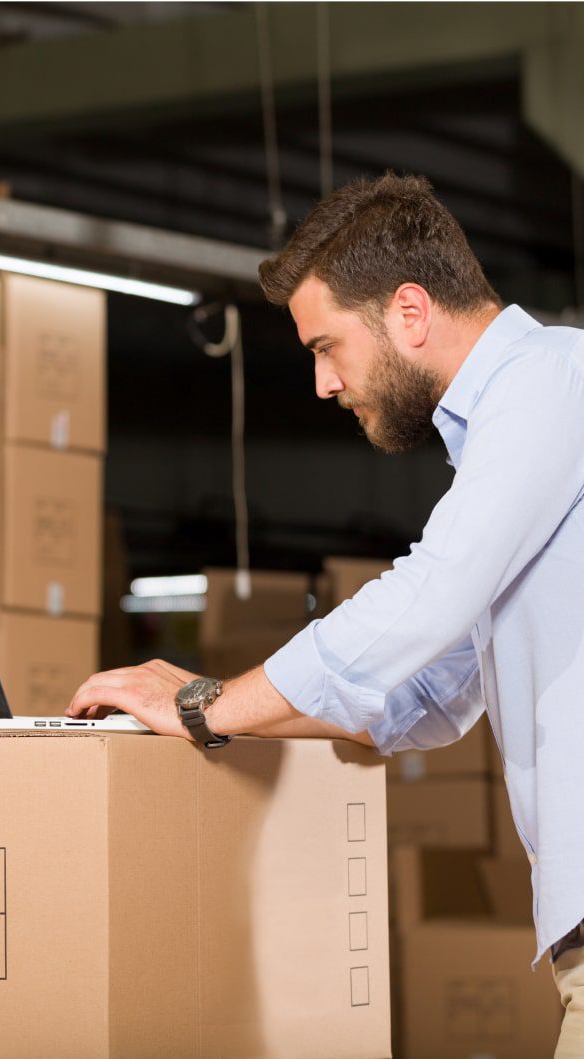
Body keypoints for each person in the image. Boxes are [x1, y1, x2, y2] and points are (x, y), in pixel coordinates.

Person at [66, 172, 584, 1055]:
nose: (320, 382)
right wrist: (211, 707)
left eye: (325, 345)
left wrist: (205, 706)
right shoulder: (522, 441)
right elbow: (422, 697)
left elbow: (428, 597)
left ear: (409, 312)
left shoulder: (554, 383)